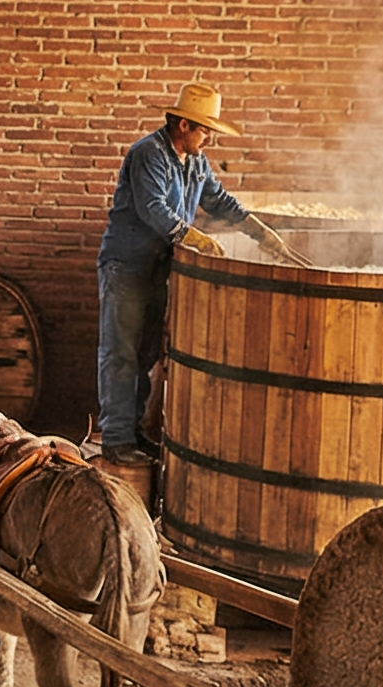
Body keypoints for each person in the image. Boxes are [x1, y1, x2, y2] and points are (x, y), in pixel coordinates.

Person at [95, 84, 293, 464]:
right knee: (121, 352)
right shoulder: (147, 154)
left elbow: (218, 200)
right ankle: (117, 439)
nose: (211, 139)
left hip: (155, 268)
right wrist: (194, 237)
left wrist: (256, 229)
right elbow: (153, 207)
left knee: (145, 353)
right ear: (182, 125)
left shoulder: (196, 162)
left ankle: (132, 434)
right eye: (205, 130)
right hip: (127, 266)